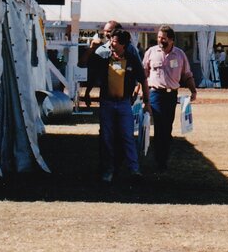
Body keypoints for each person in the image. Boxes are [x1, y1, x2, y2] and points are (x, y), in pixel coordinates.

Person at [87, 30, 148, 182]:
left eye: (114, 41)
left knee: (127, 136)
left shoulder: (132, 59)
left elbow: (143, 79)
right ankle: (108, 170)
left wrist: (147, 101)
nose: (111, 44)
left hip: (124, 104)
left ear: (123, 44)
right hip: (107, 103)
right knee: (107, 138)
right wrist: (87, 92)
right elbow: (92, 75)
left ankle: (134, 169)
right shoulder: (103, 57)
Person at [143, 25, 197, 169]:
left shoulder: (180, 55)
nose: (160, 40)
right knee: (160, 125)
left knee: (167, 127)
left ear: (172, 40)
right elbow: (143, 74)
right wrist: (140, 93)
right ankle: (160, 160)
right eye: (159, 37)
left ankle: (162, 157)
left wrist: (193, 91)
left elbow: (187, 74)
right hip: (155, 94)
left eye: (164, 38)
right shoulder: (151, 52)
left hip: (171, 95)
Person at [79, 20, 140, 107]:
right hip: (106, 98)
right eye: (105, 31)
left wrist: (136, 92)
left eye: (109, 31)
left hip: (125, 99)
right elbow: (92, 71)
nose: (106, 33)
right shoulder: (101, 50)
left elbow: (140, 73)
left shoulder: (131, 50)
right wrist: (87, 92)